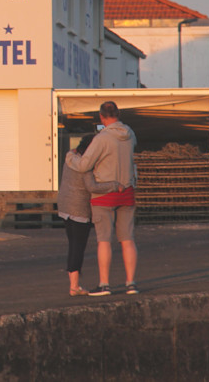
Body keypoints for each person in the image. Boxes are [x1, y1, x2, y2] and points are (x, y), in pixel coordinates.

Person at [65, 100, 138, 296]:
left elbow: (84, 166)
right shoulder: (130, 134)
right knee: (127, 239)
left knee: (104, 240)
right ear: (118, 115)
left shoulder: (102, 138)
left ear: (101, 117)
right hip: (127, 191)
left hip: (104, 194)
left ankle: (104, 284)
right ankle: (131, 283)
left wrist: (70, 157)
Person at [58, 133, 121, 296]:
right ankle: (74, 286)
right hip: (79, 209)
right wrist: (114, 185)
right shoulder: (85, 164)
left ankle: (74, 283)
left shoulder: (70, 156)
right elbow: (92, 187)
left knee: (72, 245)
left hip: (65, 206)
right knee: (78, 247)